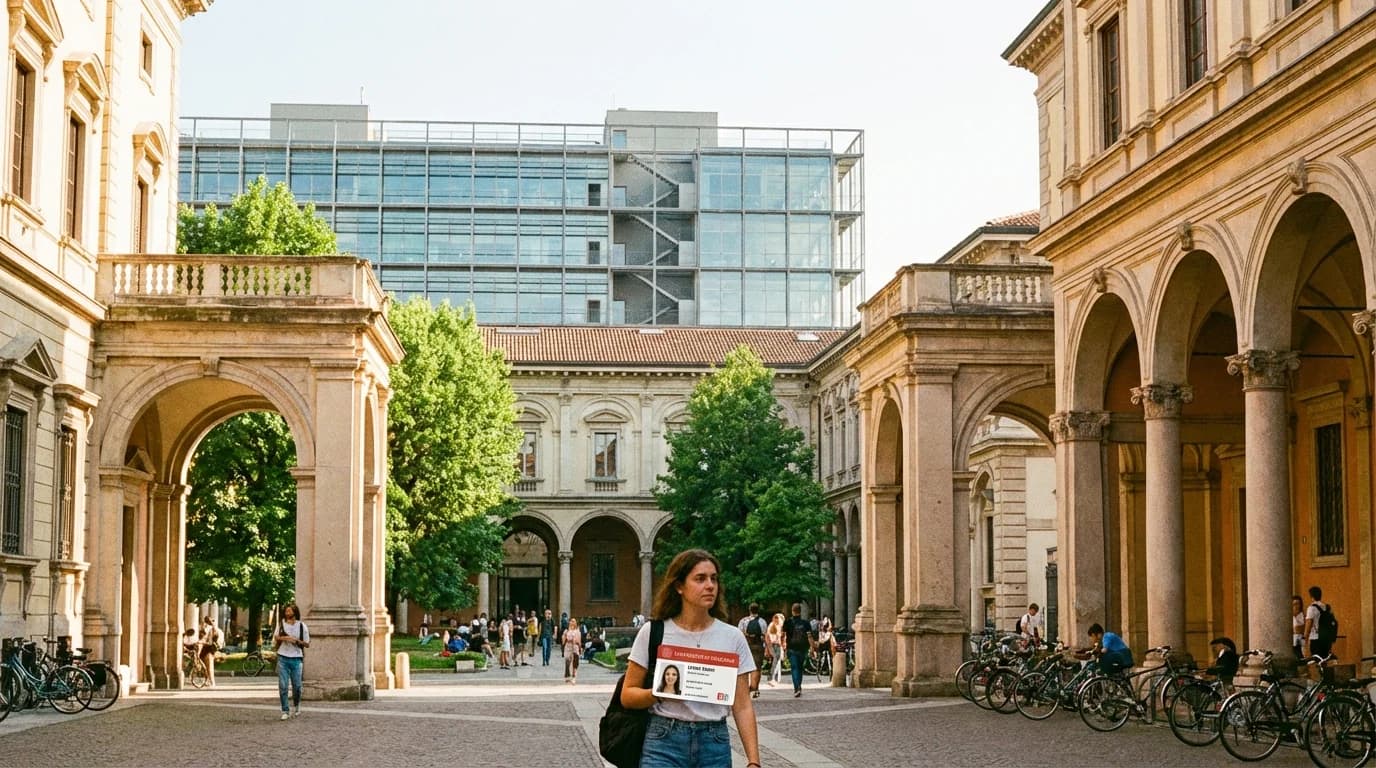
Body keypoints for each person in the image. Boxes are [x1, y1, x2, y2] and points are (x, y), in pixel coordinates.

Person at [620, 548, 761, 768]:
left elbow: (742, 705)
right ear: (679, 587)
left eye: (714, 579)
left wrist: (754, 761)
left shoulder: (732, 637)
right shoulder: (653, 632)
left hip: (714, 742)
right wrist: (659, 692)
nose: (710, 586)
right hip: (663, 741)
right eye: (700, 579)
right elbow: (627, 695)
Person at [275, 603, 310, 721]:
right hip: (283, 657)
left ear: (295, 612)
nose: (287, 613)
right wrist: (284, 638)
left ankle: (297, 705)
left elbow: (307, 643)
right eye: (286, 611)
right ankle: (285, 710)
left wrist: (296, 640)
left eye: (289, 611)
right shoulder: (281, 624)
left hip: (296, 657)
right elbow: (276, 637)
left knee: (297, 686)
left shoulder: (302, 626)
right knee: (283, 685)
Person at [782, 603, 814, 698]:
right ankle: (799, 685)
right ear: (800, 611)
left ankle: (797, 687)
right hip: (803, 648)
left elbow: (783, 636)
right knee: (800, 668)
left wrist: (783, 648)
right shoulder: (806, 623)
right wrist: (812, 648)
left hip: (791, 648)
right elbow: (810, 637)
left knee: (794, 668)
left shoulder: (788, 622)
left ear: (792, 611)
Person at [737, 602, 767, 699]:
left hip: (746, 646)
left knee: (745, 667)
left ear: (749, 610)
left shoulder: (743, 621)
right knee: (757, 668)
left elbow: (739, 635)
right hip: (758, 646)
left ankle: (746, 688)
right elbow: (764, 636)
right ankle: (755, 688)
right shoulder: (762, 622)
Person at [1304, 585, 1334, 659]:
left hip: (1315, 639)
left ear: (1311, 596)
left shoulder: (1311, 608)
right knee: (1324, 660)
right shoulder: (1326, 607)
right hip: (1325, 639)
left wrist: (1305, 640)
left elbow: (1308, 625)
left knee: (1316, 660)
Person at [199, 615, 223, 688]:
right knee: (207, 666)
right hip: (211, 650)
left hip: (208, 650)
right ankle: (208, 681)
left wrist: (201, 642)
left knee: (209, 666)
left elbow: (209, 642)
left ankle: (212, 682)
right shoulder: (216, 629)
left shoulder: (211, 630)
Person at [765, 613, 784, 687]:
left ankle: (776, 679)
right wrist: (768, 646)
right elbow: (767, 636)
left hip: (778, 645)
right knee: (776, 660)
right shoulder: (771, 625)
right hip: (772, 645)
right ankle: (771, 677)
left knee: (778, 660)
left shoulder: (780, 626)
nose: (777, 620)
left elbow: (780, 637)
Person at [562, 617, 583, 683]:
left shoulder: (577, 631)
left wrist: (580, 648)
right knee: (567, 661)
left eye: (574, 621)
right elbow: (563, 640)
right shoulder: (567, 630)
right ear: (569, 622)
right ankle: (567, 675)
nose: (572, 622)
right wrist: (563, 637)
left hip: (575, 646)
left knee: (575, 662)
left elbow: (579, 641)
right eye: (571, 621)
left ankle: (574, 676)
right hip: (568, 646)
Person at [1292, 595, 1306, 660]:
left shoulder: (1303, 615)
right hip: (1292, 642)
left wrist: (1297, 629)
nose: (1296, 606)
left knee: (1302, 658)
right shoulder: (1289, 616)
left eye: (1298, 604)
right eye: (1294, 604)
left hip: (1300, 641)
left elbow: (1298, 629)